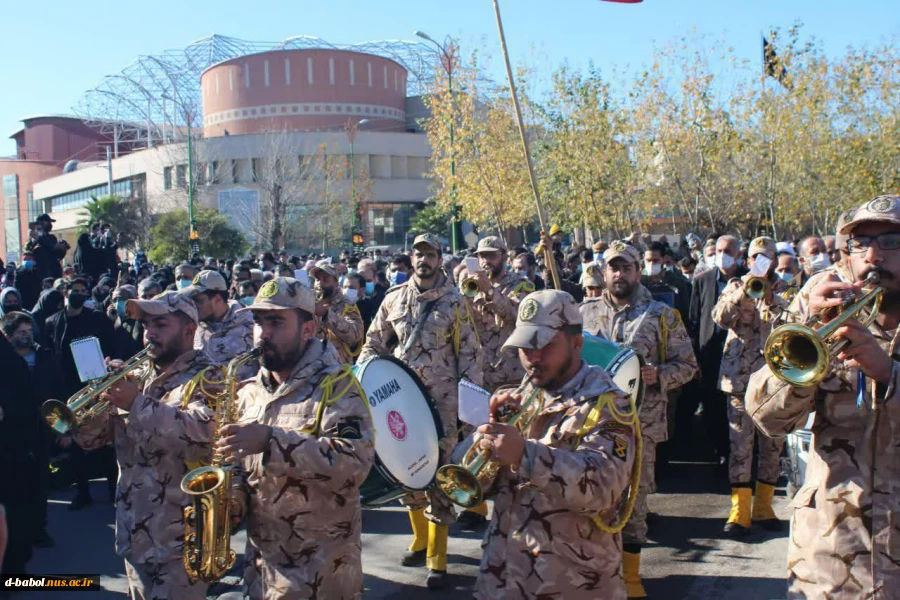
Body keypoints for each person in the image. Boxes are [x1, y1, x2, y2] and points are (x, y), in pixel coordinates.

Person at [747, 195, 900, 598]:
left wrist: (890, 375)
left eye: (889, 242)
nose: (872, 256)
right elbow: (765, 417)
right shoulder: (821, 297)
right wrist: (805, 360)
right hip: (832, 557)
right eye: (858, 244)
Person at [217, 277, 374, 599]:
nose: (263, 333)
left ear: (308, 329)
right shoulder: (248, 393)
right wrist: (233, 495)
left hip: (319, 574)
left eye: (276, 321)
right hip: (261, 570)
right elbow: (236, 464)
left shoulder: (338, 386)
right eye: (258, 322)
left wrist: (271, 442)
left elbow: (354, 464)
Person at [474, 289, 637, 599]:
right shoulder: (525, 396)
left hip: (572, 584)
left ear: (576, 343)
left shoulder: (611, 405)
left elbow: (605, 487)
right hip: (504, 580)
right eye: (524, 347)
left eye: (545, 345)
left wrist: (524, 454)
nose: (532, 358)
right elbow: (478, 488)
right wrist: (486, 438)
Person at [359, 233, 484, 589]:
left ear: (440, 258)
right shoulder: (394, 299)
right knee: (404, 469)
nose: (423, 260)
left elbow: (471, 357)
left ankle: (438, 560)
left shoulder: (456, 303)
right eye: (418, 254)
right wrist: (369, 379)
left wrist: (468, 411)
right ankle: (420, 539)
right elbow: (372, 343)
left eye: (430, 254)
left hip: (441, 404)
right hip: (399, 401)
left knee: (439, 475)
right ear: (410, 258)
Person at [75, 291, 215, 600]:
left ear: (189, 330)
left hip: (182, 542)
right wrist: (96, 401)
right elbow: (90, 442)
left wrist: (135, 403)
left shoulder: (211, 376)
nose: (149, 333)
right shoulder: (137, 375)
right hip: (133, 533)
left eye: (161, 324)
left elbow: (203, 436)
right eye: (147, 325)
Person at [579, 241, 697, 597]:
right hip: (590, 424)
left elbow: (689, 367)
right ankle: (595, 575)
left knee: (633, 501)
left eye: (626, 267)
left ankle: (630, 578)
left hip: (639, 426)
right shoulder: (582, 314)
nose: (619, 274)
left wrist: (658, 375)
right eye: (613, 268)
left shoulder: (661, 316)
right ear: (604, 272)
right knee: (590, 497)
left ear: (637, 271)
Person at [711, 237, 791, 536]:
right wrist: (745, 290)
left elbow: (795, 323)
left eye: (766, 257)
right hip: (740, 380)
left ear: (774, 261)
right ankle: (739, 512)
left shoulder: (785, 290)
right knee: (740, 447)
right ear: (748, 260)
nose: (761, 262)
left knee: (772, 446)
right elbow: (720, 318)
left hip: (775, 380)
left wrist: (774, 300)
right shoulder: (734, 286)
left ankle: (763, 507)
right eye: (756, 257)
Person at [2, 310, 65, 549]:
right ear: (8, 335)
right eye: (21, 332)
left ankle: (39, 529)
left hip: (40, 431)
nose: (27, 336)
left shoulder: (45, 357)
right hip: (12, 433)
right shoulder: (5, 362)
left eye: (29, 331)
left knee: (39, 482)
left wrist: (63, 429)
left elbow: (59, 393)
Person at [684, 235, 746, 466]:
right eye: (719, 250)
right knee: (713, 406)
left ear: (738, 254)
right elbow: (694, 319)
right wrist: (695, 358)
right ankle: (719, 452)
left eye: (728, 250)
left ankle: (738, 455)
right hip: (711, 355)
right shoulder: (703, 280)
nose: (722, 255)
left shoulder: (749, 279)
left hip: (741, 355)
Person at [0, 333, 42, 575]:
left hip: (9, 453)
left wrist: (6, 411)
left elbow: (28, 404)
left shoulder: (12, 364)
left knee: (11, 511)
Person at [181, 270, 256, 378]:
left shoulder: (250, 323)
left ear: (217, 299)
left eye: (199, 301)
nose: (194, 306)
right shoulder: (195, 328)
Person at [308, 260, 364, 365]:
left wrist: (326, 315)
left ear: (336, 282)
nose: (320, 283)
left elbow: (354, 336)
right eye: (317, 279)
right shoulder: (310, 302)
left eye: (325, 279)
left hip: (337, 367)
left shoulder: (347, 304)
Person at [642, 241, 691, 322]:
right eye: (648, 260)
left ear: (663, 259)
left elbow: (685, 313)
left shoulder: (678, 283)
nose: (651, 264)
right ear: (643, 258)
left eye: (655, 260)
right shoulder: (637, 283)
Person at [26, 214, 68, 283]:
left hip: (52, 273)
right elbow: (27, 252)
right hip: (38, 275)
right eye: (48, 222)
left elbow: (54, 250)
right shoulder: (32, 241)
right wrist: (33, 240)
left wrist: (63, 247)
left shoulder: (51, 238)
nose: (50, 224)